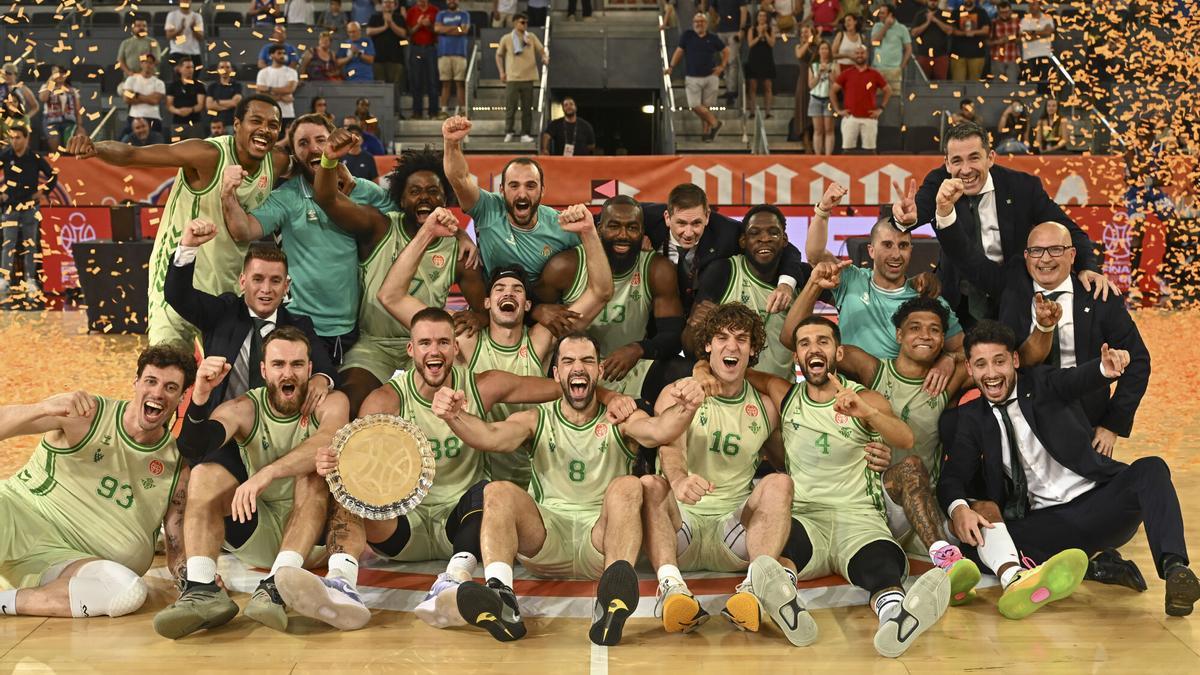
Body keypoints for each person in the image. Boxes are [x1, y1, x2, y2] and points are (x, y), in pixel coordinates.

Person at [436, 334, 706, 645]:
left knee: (629, 485)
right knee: (497, 490)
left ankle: (611, 598)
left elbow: (659, 430)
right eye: (568, 361)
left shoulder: (622, 418)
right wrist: (454, 416)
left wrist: (686, 407)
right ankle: (502, 597)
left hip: (601, 539)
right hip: (547, 539)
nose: (578, 368)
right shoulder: (536, 419)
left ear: (599, 370)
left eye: (587, 361)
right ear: (556, 374)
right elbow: (490, 436)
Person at [940, 321, 1198, 618]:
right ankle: (1095, 566)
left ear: (1014, 360)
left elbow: (1076, 379)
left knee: (1151, 468)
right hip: (1048, 523)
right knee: (975, 543)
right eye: (981, 365)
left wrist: (1103, 370)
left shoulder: (1043, 383)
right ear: (970, 370)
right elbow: (953, 477)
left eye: (999, 361)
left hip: (1101, 504)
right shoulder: (971, 418)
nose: (992, 373)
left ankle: (1176, 570)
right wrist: (958, 507)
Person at [739, 315, 951, 658]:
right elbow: (742, 373)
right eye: (804, 343)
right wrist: (703, 372)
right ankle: (786, 602)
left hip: (858, 517)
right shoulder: (787, 395)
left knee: (882, 566)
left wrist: (867, 413)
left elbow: (906, 438)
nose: (813, 348)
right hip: (807, 516)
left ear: (838, 353)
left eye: (823, 341)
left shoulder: (865, 397)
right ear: (797, 358)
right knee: (781, 556)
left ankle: (895, 618)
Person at [376, 204, 608, 486]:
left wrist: (588, 233)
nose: (507, 293)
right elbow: (390, 296)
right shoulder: (463, 337)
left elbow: (601, 292)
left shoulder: (543, 336)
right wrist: (426, 233)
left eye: (517, 290)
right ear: (487, 302)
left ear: (528, 304)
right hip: (481, 472)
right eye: (499, 288)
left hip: (538, 469)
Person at [153, 328, 351, 638]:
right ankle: (202, 589)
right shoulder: (244, 407)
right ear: (263, 370)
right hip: (255, 532)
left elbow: (328, 440)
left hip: (309, 545)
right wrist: (201, 396)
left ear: (310, 369)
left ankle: (275, 588)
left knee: (314, 470)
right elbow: (194, 447)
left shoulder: (333, 402)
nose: (289, 372)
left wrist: (267, 473)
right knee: (204, 473)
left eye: (297, 364)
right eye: (278, 364)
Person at [642, 304, 813, 642]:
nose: (731, 347)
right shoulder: (679, 391)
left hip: (733, 534)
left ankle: (752, 590)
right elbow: (670, 448)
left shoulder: (765, 407)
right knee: (650, 484)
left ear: (752, 350)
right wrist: (678, 480)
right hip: (682, 528)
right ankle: (671, 588)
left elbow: (787, 464)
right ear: (707, 346)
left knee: (779, 483)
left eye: (741, 339)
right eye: (721, 338)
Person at [66, 94, 290, 346]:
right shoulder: (207, 155)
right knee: (168, 370)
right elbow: (133, 155)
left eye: (273, 125)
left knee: (221, 379)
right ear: (237, 124)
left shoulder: (277, 161)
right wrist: (95, 147)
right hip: (178, 282)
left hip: (228, 287)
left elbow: (307, 166)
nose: (264, 130)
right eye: (256, 121)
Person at [0, 345, 195, 618]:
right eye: (151, 381)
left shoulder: (178, 464)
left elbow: (176, 547)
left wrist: (197, 582)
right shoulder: (87, 413)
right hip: (15, 519)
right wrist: (41, 408)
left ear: (183, 396)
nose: (158, 393)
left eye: (171, 387)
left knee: (128, 591)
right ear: (136, 383)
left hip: (70, 564)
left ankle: (4, 601)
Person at [938, 220, 1151, 459]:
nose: (1045, 259)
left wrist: (1112, 424)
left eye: (1056, 250)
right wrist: (945, 215)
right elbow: (968, 259)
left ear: (1072, 255)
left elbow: (1139, 361)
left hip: (1084, 424)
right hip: (1023, 418)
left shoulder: (1100, 297)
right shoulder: (1011, 289)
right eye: (1037, 251)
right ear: (1027, 257)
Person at [311, 133, 484, 414]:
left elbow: (483, 309)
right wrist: (329, 159)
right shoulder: (378, 227)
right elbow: (327, 199)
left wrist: (477, 316)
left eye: (433, 191)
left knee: (447, 408)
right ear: (401, 200)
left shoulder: (458, 251)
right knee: (349, 403)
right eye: (415, 191)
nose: (425, 197)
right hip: (374, 344)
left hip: (426, 347)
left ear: (445, 198)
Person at [890, 122, 1112, 327]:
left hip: (1013, 295)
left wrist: (1087, 267)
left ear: (991, 157)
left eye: (974, 158)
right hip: (958, 299)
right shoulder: (939, 182)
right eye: (957, 160)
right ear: (947, 163)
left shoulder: (1022, 187)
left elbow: (1068, 230)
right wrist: (903, 218)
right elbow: (914, 213)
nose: (966, 169)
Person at [221, 115, 395, 368]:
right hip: (302, 326)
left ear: (335, 143)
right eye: (303, 143)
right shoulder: (287, 197)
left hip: (357, 328)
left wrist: (457, 234)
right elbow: (243, 230)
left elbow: (409, 218)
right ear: (294, 153)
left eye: (321, 140)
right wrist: (228, 193)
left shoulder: (361, 190)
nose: (313, 148)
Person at [164, 219, 336, 420]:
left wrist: (321, 379)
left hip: (276, 427)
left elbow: (326, 367)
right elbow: (178, 295)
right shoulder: (222, 312)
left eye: (275, 281)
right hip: (223, 424)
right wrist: (188, 247)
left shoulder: (298, 325)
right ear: (243, 281)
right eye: (257, 279)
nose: (266, 289)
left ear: (286, 286)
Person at [535, 196, 685, 400]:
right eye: (614, 226)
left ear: (643, 233)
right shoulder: (566, 266)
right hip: (574, 368)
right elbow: (529, 316)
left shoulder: (657, 269)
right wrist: (537, 310)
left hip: (629, 365)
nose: (623, 235)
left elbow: (674, 335)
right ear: (598, 229)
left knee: (684, 371)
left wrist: (638, 349)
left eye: (632, 228)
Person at [442, 116, 579, 283]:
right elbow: (459, 178)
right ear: (501, 190)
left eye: (530, 186)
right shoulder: (487, 208)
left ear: (542, 190)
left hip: (541, 303)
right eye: (514, 186)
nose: (522, 194)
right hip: (492, 301)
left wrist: (586, 226)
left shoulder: (561, 225)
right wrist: (451, 143)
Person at [642, 182, 810, 313]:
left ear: (707, 216)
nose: (688, 233)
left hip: (699, 310)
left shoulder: (726, 232)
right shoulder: (642, 218)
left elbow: (786, 248)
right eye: (681, 223)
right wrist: (634, 239)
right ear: (667, 217)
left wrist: (786, 285)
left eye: (696, 223)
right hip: (652, 314)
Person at [684, 205, 803, 380]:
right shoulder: (722, 271)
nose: (764, 239)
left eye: (773, 232)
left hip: (778, 394)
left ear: (785, 239)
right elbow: (689, 346)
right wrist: (694, 327)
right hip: (727, 392)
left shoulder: (800, 277)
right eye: (754, 233)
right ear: (742, 241)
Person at [0, 124, 57, 304]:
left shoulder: (34, 158)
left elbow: (53, 174)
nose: (15, 141)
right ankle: (4, 279)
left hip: (30, 207)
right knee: (8, 244)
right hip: (10, 207)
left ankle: (30, 280)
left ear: (26, 139)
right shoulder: (5, 155)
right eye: (13, 138)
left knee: (30, 245)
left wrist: (44, 192)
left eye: (18, 138)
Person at [664, 13, 728, 143]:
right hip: (692, 77)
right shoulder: (688, 36)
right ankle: (715, 123)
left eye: (702, 21)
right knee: (694, 105)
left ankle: (706, 134)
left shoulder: (713, 38)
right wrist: (671, 66)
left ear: (706, 23)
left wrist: (722, 66)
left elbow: (726, 51)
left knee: (706, 107)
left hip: (711, 76)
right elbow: (679, 51)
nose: (699, 24)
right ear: (693, 23)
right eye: (697, 21)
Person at [496, 14, 547, 143]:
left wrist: (544, 57)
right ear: (514, 23)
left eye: (526, 22)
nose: (524, 25)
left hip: (528, 77)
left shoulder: (531, 37)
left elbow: (542, 49)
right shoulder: (506, 38)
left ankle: (525, 133)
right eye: (522, 22)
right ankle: (509, 131)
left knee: (527, 108)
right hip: (512, 77)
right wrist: (502, 72)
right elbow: (499, 55)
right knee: (510, 108)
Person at [831, 45, 891, 153]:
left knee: (871, 151)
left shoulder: (875, 74)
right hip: (850, 117)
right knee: (847, 150)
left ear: (867, 54)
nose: (859, 55)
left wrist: (881, 109)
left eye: (862, 53)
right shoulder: (846, 74)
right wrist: (838, 110)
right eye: (857, 53)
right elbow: (832, 91)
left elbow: (888, 90)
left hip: (869, 118)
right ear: (853, 55)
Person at [367, 0, 407, 113]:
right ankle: (381, 112)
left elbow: (403, 33)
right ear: (381, 4)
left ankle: (396, 112)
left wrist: (391, 23)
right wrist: (384, 27)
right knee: (380, 87)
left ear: (395, 5)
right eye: (385, 2)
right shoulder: (375, 17)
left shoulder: (399, 18)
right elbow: (369, 31)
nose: (388, 4)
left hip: (396, 59)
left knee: (395, 87)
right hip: (378, 59)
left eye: (390, 2)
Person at [435, 0, 471, 118]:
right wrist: (456, 28)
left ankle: (463, 110)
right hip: (444, 54)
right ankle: (444, 110)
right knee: (445, 83)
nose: (452, 1)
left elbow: (464, 30)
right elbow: (437, 29)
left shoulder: (464, 14)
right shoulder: (441, 14)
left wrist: (445, 29)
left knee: (460, 83)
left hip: (460, 53)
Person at [407, 0, 441, 119]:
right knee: (416, 81)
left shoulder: (435, 10)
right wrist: (419, 24)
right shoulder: (411, 11)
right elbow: (409, 32)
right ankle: (417, 112)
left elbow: (438, 30)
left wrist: (429, 25)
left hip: (430, 48)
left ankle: (433, 112)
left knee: (432, 81)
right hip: (415, 48)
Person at [117, 53, 165, 134]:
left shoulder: (159, 83)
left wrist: (136, 95)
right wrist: (148, 98)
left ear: (153, 65)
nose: (147, 65)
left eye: (150, 63)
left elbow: (155, 101)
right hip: (134, 117)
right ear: (141, 64)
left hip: (153, 118)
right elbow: (127, 98)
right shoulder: (131, 79)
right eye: (145, 62)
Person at [711, 0, 748, 106]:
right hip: (721, 29)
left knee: (732, 61)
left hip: (734, 29)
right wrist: (715, 18)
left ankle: (732, 90)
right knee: (725, 61)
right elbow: (712, 7)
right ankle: (728, 88)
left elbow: (743, 10)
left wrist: (742, 29)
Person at [871, 4, 912, 96]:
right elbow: (874, 42)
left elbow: (908, 49)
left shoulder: (902, 29)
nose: (880, 15)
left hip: (894, 71)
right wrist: (886, 26)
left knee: (895, 99)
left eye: (882, 13)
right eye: (879, 13)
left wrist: (901, 66)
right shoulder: (877, 26)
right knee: (877, 98)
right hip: (878, 69)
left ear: (890, 15)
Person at [37, 66, 79, 153]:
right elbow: (43, 98)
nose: (59, 75)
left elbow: (77, 109)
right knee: (54, 138)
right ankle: (58, 160)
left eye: (61, 73)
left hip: (69, 121)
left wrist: (80, 125)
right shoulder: (47, 86)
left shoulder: (72, 90)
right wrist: (51, 81)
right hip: (51, 121)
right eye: (56, 73)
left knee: (74, 138)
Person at [792, 22, 819, 152]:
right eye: (802, 33)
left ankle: (817, 141)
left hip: (816, 81)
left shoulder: (818, 47)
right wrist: (807, 43)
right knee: (803, 109)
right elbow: (799, 55)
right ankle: (806, 140)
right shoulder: (799, 46)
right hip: (803, 80)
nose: (803, 35)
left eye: (806, 32)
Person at [744, 10, 777, 118]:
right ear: (757, 17)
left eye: (764, 15)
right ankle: (752, 111)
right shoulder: (751, 29)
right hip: (754, 58)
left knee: (768, 86)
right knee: (752, 86)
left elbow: (772, 44)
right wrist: (759, 35)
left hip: (767, 58)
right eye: (760, 15)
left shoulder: (771, 29)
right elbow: (750, 44)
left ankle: (768, 112)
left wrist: (765, 33)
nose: (762, 17)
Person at [257, 47, 299, 130]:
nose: (282, 56)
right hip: (268, 114)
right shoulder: (263, 73)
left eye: (284, 53)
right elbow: (260, 94)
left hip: (287, 114)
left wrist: (268, 89)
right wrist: (281, 97)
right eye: (279, 53)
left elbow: (290, 89)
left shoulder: (292, 72)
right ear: (271, 55)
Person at [165, 59, 207, 141]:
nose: (190, 70)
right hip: (177, 123)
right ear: (180, 69)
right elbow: (169, 105)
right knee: (176, 150)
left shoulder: (199, 85)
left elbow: (201, 105)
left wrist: (190, 110)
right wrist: (178, 111)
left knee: (196, 149)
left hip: (195, 123)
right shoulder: (173, 86)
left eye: (192, 67)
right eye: (187, 67)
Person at [949, 0, 990, 81]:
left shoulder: (981, 12)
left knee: (974, 85)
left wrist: (973, 32)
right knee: (958, 84)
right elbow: (951, 30)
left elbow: (986, 30)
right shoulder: (955, 12)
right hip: (957, 54)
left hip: (977, 54)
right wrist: (965, 33)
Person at [910, 0, 952, 80]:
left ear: (938, 2)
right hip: (923, 54)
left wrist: (936, 20)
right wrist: (928, 22)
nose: (933, 3)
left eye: (935, 1)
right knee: (923, 81)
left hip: (941, 54)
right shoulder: (920, 14)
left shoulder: (945, 14)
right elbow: (913, 33)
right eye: (931, 1)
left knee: (941, 82)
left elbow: (949, 30)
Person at [1019, 0, 1055, 92]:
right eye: (1029, 4)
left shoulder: (1047, 18)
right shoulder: (1024, 20)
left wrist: (1032, 32)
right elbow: (1025, 37)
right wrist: (1041, 33)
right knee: (1030, 84)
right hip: (1029, 56)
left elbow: (1048, 32)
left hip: (1045, 54)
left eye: (1034, 4)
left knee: (1045, 83)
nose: (1031, 6)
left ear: (1040, 5)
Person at [808, 40, 836, 155]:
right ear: (818, 51)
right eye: (822, 49)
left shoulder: (834, 65)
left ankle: (828, 156)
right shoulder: (813, 66)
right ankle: (818, 155)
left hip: (829, 99)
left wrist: (829, 72)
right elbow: (810, 85)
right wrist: (819, 74)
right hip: (815, 98)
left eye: (826, 49)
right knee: (818, 129)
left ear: (829, 51)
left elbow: (836, 83)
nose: (824, 51)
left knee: (829, 129)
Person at [164, 1, 205, 70]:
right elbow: (168, 36)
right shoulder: (172, 15)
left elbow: (201, 38)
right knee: (178, 79)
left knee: (193, 79)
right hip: (177, 52)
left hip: (194, 53)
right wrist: (181, 29)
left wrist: (193, 28)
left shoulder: (197, 17)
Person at [987, 0, 1021, 83]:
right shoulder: (993, 23)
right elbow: (987, 42)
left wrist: (1011, 39)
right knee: (997, 85)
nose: (1004, 14)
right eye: (1002, 12)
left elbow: (1022, 38)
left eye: (1006, 12)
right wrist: (998, 42)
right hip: (997, 58)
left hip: (1012, 57)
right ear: (998, 12)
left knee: (1012, 83)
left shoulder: (1017, 22)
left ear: (1010, 11)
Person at [205, 61, 244, 129]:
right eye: (222, 67)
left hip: (231, 123)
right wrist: (228, 105)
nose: (225, 70)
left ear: (231, 70)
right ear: (218, 70)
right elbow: (209, 105)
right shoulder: (212, 87)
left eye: (227, 67)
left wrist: (217, 102)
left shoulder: (237, 86)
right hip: (215, 125)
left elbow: (235, 103)